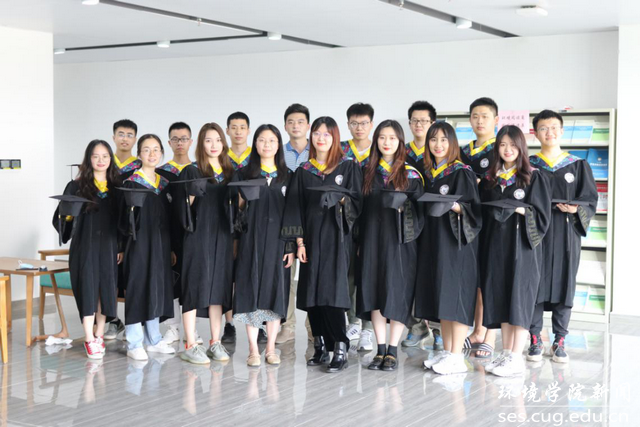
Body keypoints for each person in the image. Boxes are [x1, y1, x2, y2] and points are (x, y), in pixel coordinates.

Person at [282, 116, 363, 373]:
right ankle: (319, 344)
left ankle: (339, 345)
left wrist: (341, 199)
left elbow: (358, 203)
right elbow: (294, 208)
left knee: (333, 292)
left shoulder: (348, 168)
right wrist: (299, 243)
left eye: (327, 134)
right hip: (310, 241)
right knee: (311, 293)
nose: (321, 138)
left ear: (335, 137)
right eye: (317, 133)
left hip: (337, 239)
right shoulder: (304, 171)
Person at [478, 125, 551, 377]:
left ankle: (516, 357)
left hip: (522, 248)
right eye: (502, 145)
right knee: (501, 297)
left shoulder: (533, 177)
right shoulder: (491, 179)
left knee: (519, 299)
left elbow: (542, 216)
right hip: (496, 247)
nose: (507, 150)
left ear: (521, 147)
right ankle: (506, 353)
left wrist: (519, 209)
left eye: (512, 145)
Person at [527, 110, 598, 364]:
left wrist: (576, 209)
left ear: (562, 131)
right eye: (543, 128)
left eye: (554, 127)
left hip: (566, 232)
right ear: (536, 133)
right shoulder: (529, 165)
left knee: (564, 281)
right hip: (535, 232)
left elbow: (590, 199)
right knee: (534, 282)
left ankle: (560, 339)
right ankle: (535, 338)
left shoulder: (577, 165)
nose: (550, 132)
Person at [357, 120, 424, 371]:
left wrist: (405, 211)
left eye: (392, 138)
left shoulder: (411, 174)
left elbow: (421, 211)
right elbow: (359, 209)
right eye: (382, 137)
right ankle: (380, 349)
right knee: (374, 292)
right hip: (372, 241)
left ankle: (393, 350)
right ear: (376, 141)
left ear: (400, 142)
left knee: (397, 292)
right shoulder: (366, 172)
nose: (387, 142)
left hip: (400, 243)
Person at [416, 122, 482, 375]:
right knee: (442, 299)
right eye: (433, 140)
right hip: (434, 243)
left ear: (452, 143)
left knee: (457, 299)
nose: (438, 145)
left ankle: (456, 356)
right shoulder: (427, 172)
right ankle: (446, 351)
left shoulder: (462, 172)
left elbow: (474, 211)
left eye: (444, 140)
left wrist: (455, 206)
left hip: (457, 245)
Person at [52, 140, 121, 359]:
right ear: (88, 159)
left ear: (111, 159)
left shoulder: (117, 187)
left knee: (105, 290)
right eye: (95, 156)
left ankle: (99, 334)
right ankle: (89, 339)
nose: (101, 160)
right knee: (88, 289)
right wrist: (68, 214)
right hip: (85, 246)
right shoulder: (76, 186)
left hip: (109, 246)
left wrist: (120, 247)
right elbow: (61, 218)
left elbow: (122, 222)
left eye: (105, 156)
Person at [233, 124, 294, 367]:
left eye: (272, 140)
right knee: (250, 290)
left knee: (275, 292)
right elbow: (235, 210)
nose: (266, 144)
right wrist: (241, 197)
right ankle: (252, 350)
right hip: (251, 241)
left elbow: (293, 214)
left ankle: (270, 349)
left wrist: (290, 246)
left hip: (278, 243)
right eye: (261, 140)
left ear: (279, 145)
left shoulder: (288, 176)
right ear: (255, 144)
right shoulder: (244, 174)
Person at [177, 123, 235, 365]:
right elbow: (183, 209)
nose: (214, 145)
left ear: (223, 143)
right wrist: (191, 194)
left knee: (218, 290)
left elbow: (236, 210)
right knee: (193, 286)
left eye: (218, 140)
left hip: (222, 238)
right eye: (208, 140)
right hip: (198, 237)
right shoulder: (192, 171)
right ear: (201, 144)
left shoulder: (230, 173)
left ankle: (215, 341)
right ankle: (191, 343)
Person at [119, 134, 176, 361]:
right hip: (137, 244)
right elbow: (121, 220)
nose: (152, 154)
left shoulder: (164, 184)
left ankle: (153, 339)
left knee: (156, 288)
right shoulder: (131, 183)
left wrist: (172, 248)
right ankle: (134, 342)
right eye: (146, 150)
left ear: (161, 152)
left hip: (161, 245)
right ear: (139, 154)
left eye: (155, 150)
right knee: (137, 288)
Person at [460, 97, 500, 359]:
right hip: (468, 220)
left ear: (496, 119)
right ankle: (477, 331)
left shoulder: (502, 148)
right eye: (475, 116)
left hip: (494, 220)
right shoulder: (463, 151)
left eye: (485, 116)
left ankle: (491, 336)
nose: (479, 121)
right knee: (475, 278)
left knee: (491, 276)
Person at [156, 122, 202, 346]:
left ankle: (192, 330)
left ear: (191, 142)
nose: (180, 143)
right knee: (171, 282)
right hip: (169, 234)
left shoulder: (198, 171)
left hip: (194, 235)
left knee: (192, 281)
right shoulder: (162, 173)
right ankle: (172, 328)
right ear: (169, 142)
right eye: (175, 139)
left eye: (184, 139)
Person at [402, 100, 441, 349]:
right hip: (407, 222)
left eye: (424, 121)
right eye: (415, 120)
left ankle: (438, 328)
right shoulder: (401, 152)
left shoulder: (441, 151)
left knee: (436, 274)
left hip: (436, 223)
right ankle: (416, 327)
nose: (419, 125)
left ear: (432, 123)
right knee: (408, 275)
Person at [277, 103, 313, 344]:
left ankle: (313, 326)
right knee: (285, 274)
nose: (295, 126)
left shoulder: (318, 150)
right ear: (285, 126)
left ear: (308, 125)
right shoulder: (278, 153)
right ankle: (288, 326)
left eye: (300, 121)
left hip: (312, 220)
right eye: (291, 122)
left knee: (311, 275)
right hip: (284, 218)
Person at [341, 102, 375, 351]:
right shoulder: (341, 149)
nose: (359, 127)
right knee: (349, 272)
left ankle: (369, 328)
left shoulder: (379, 149)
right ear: (348, 124)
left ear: (371, 124)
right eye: (354, 123)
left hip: (373, 218)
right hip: (347, 218)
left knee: (370, 273)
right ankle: (353, 321)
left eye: (363, 123)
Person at [104, 118, 140, 341]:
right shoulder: (106, 162)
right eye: (121, 134)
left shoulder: (140, 167)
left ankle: (133, 323)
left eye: (129, 135)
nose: (125, 139)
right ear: (113, 137)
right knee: (109, 277)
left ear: (135, 139)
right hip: (108, 226)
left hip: (131, 228)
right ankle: (112, 320)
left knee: (130, 278)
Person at [222, 111, 252, 343]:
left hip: (252, 225)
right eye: (234, 127)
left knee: (253, 271)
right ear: (227, 131)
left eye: (242, 127)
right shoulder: (222, 158)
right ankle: (229, 323)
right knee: (228, 274)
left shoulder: (256, 157)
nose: (238, 131)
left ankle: (259, 323)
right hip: (226, 222)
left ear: (248, 130)